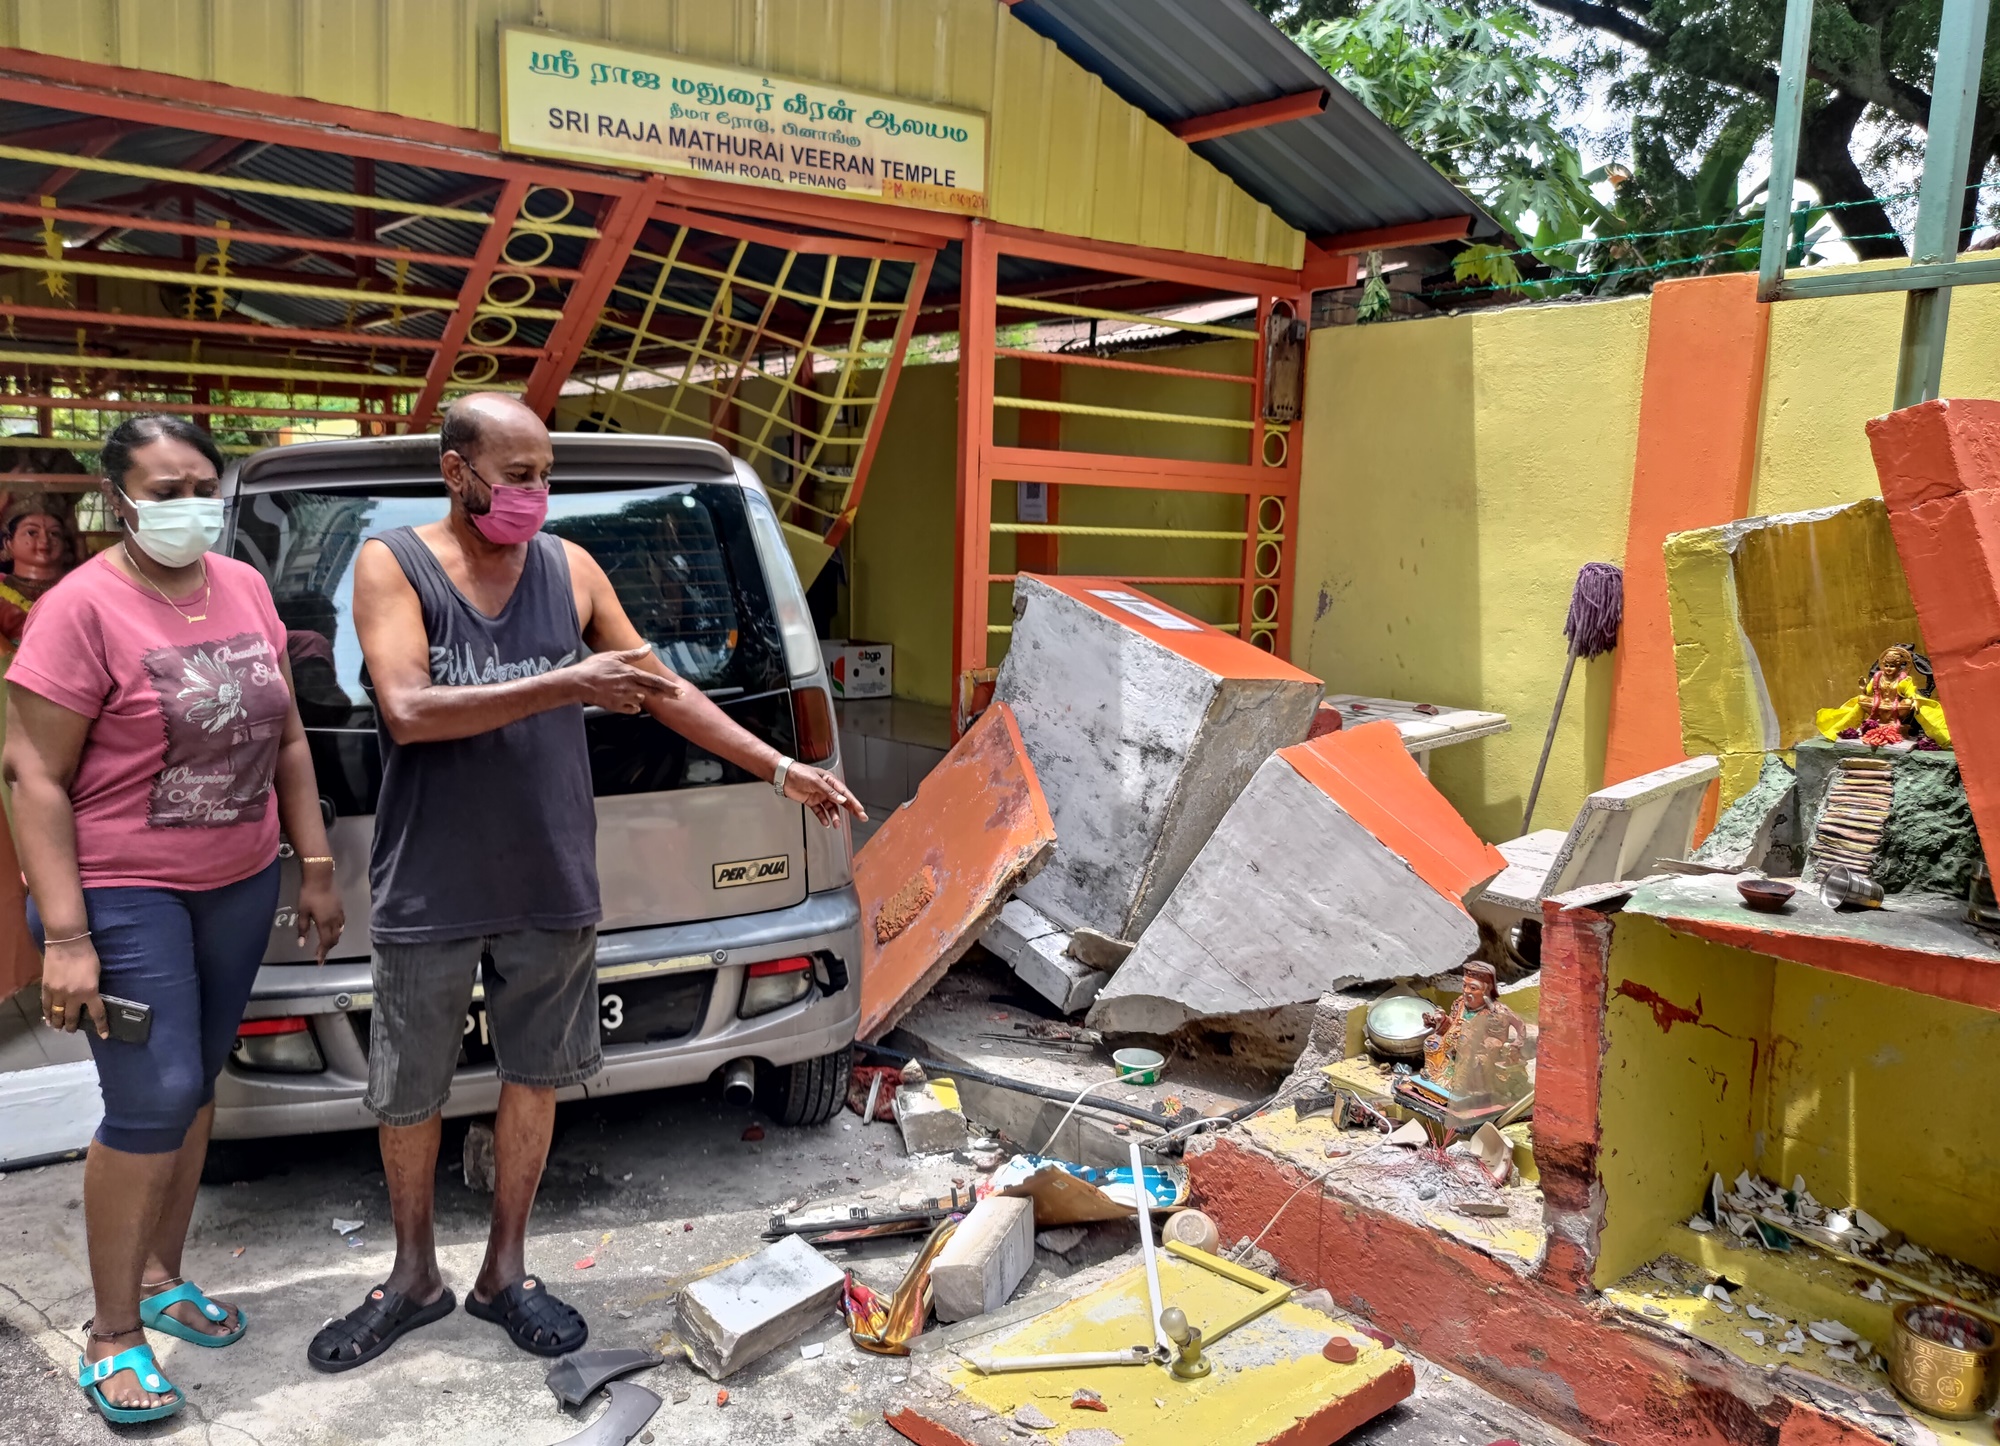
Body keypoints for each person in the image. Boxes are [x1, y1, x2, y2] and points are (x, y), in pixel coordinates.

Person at [307, 393, 863, 1372]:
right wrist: (566, 682)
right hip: (428, 881)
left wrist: (780, 768)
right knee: (407, 1092)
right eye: (515, 475)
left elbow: (661, 689)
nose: (535, 494)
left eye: (543, 474)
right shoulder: (391, 565)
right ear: (455, 471)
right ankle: (410, 1276)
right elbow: (405, 709)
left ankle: (504, 1274)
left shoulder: (571, 568)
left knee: (537, 1077)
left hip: (550, 872)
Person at [4, 415, 344, 1425]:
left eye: (200, 481)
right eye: (162, 489)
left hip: (234, 880)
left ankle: (163, 1277)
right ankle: (112, 1335)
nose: (186, 503)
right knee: (150, 1100)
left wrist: (314, 864)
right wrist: (66, 937)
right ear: (120, 500)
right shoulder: (81, 607)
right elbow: (33, 777)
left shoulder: (239, 585)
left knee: (196, 1088)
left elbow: (283, 732)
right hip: (119, 890)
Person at [0, 495, 80, 655]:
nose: (44, 540)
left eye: (54, 534)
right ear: (8, 544)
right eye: (32, 532)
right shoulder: (2, 592)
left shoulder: (83, 591)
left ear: (65, 545)